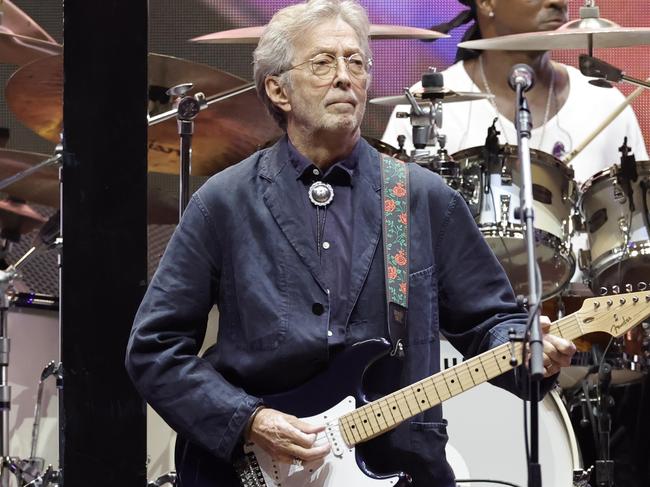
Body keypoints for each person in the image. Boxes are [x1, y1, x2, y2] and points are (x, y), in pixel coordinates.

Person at [125, 1, 575, 486]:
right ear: (278, 89)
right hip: (252, 468)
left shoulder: (423, 198)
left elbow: (490, 323)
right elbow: (154, 349)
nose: (345, 76)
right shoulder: (225, 202)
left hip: (404, 467)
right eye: (323, 63)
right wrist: (248, 420)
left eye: (356, 62)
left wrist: (530, 349)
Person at [382, 0, 648, 186]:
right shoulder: (425, 104)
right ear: (486, 2)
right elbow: (394, 222)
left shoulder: (603, 101)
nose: (558, 2)